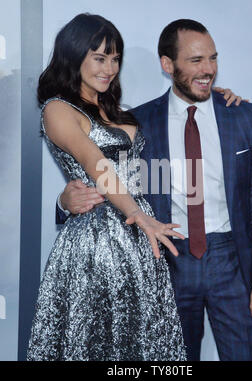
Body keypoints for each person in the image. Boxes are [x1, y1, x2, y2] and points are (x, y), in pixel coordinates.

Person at [59, 19, 252, 362]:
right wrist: (65, 203)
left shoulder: (243, 116)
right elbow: (107, 183)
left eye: (212, 59)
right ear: (167, 65)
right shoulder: (137, 123)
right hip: (165, 260)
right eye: (195, 61)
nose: (208, 70)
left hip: (233, 264)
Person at [27, 13, 188, 361]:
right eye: (100, 57)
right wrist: (134, 212)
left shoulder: (119, 111)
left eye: (115, 59)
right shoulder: (57, 109)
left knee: (141, 346)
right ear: (74, 56)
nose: (110, 67)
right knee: (96, 343)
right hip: (97, 245)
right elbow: (94, 162)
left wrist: (213, 96)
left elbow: (170, 111)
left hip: (142, 243)